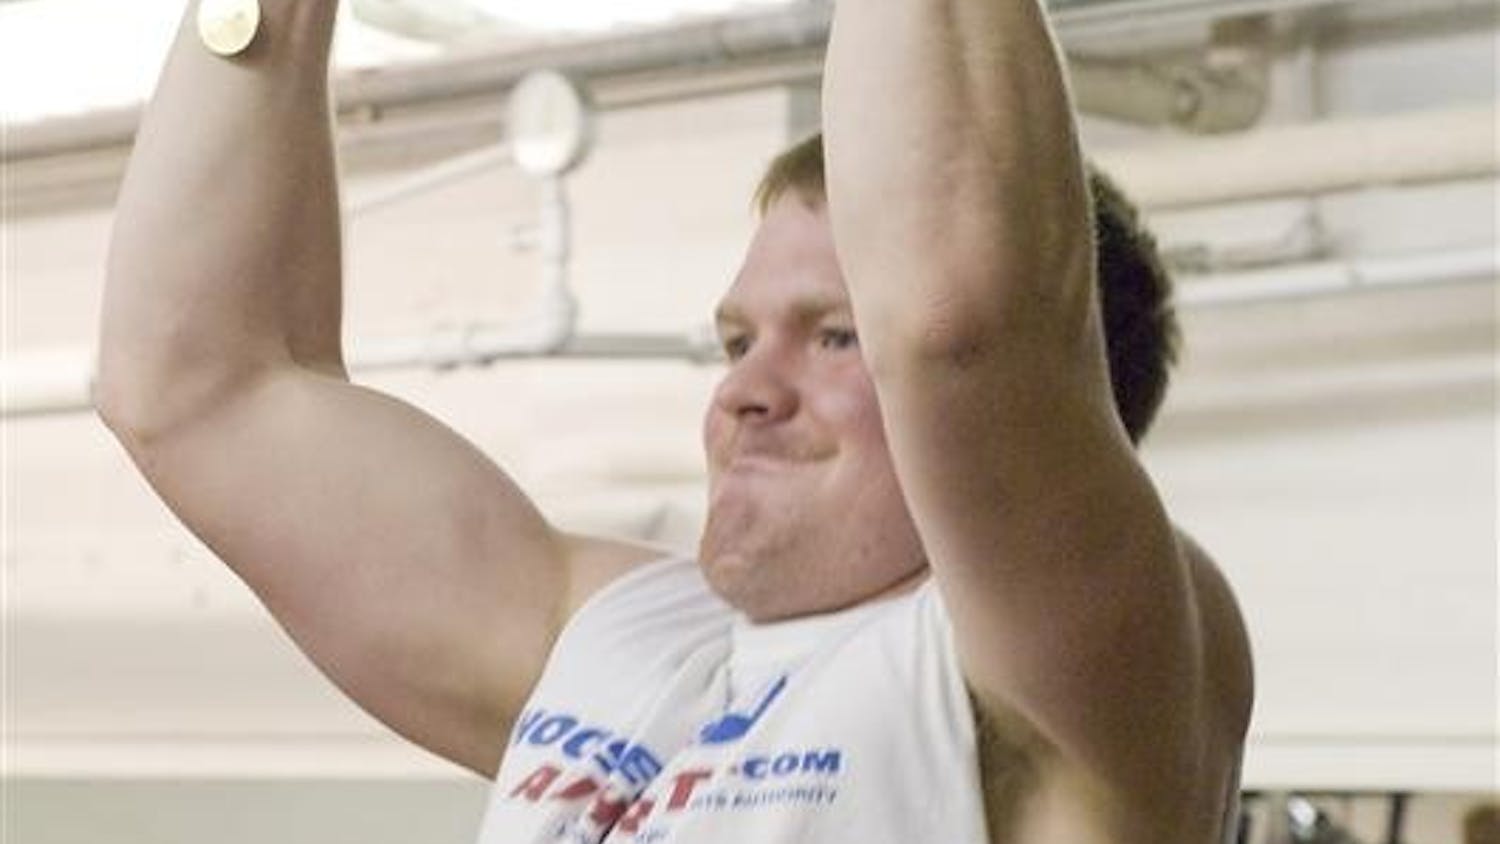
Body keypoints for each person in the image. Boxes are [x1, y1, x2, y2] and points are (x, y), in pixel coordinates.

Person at [94, 0, 1254, 842]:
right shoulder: (617, 640)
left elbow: (959, 319)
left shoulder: (1072, 674)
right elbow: (196, 387)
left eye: (836, 335)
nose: (746, 390)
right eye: (739, 338)